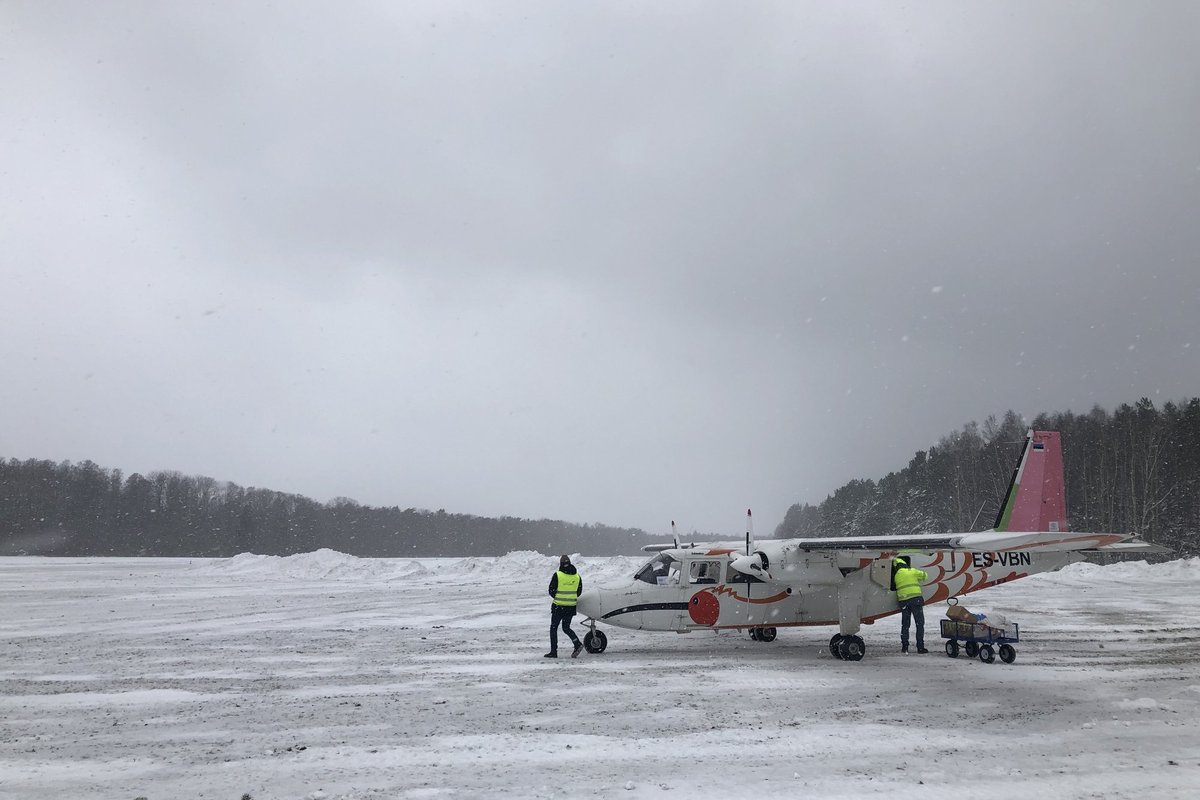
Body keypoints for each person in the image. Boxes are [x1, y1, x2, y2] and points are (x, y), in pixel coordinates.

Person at [546, 554, 583, 659]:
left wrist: (558, 597)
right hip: (570, 607)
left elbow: (551, 590)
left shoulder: (557, 575)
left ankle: (553, 652)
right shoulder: (577, 576)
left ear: (561, 564)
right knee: (566, 628)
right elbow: (579, 592)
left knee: (554, 628)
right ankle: (577, 643)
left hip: (558, 607)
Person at [893, 555, 929, 654]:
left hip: (903, 601)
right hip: (915, 600)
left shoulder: (896, 576)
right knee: (919, 624)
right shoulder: (911, 571)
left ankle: (905, 646)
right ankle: (920, 647)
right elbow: (925, 576)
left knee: (905, 624)